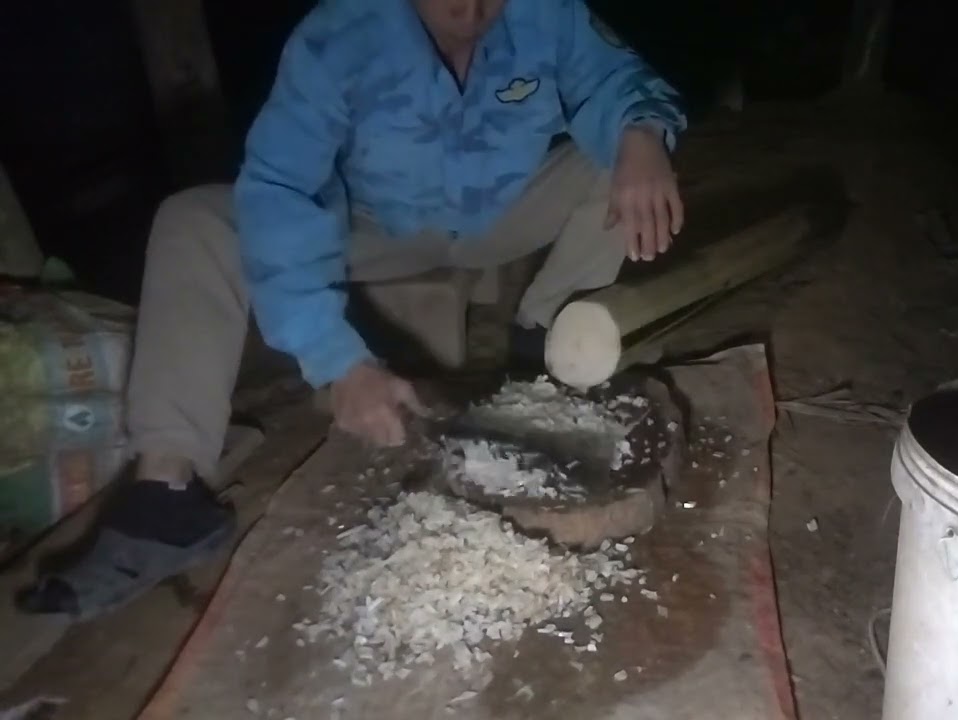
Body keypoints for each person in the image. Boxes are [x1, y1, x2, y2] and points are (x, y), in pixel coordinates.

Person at [17, 0, 686, 619]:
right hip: (371, 230)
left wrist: (642, 133)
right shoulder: (339, 35)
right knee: (194, 221)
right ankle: (166, 493)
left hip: (497, 213)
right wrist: (333, 359)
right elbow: (280, 190)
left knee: (620, 164)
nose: (475, 12)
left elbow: (617, 79)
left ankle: (540, 350)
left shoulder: (547, 13)